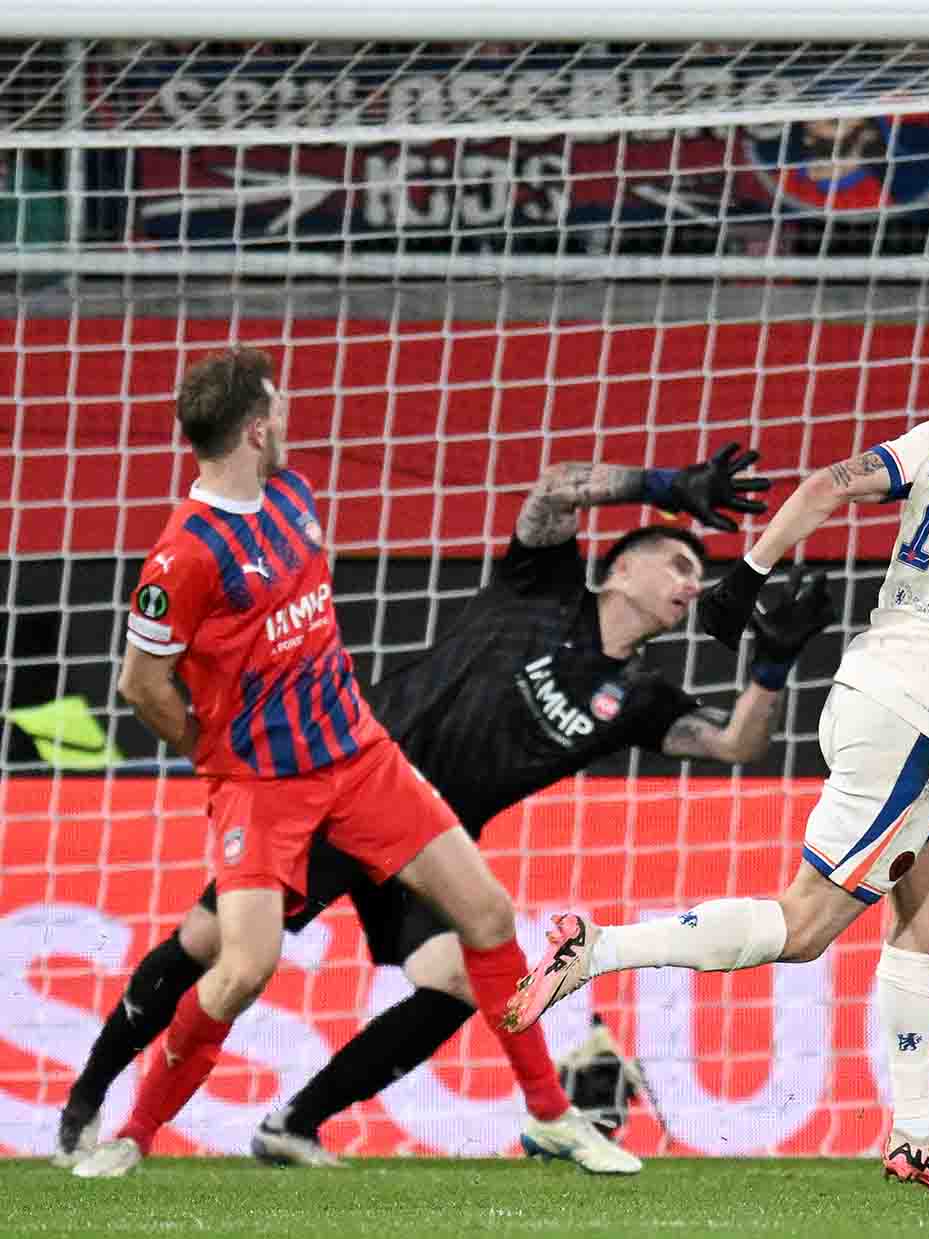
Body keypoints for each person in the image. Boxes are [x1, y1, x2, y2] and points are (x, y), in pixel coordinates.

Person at [61, 349, 797, 1180]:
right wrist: (667, 485)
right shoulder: (542, 585)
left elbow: (736, 744)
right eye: (679, 563)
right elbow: (554, 486)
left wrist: (772, 668)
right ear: (620, 566)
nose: (692, 585)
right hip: (328, 774)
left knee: (471, 958)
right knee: (215, 950)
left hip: (403, 808)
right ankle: (93, 1104)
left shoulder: (639, 697)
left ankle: (305, 1120)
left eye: (700, 575)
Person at [503, 406, 929, 1199]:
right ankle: (599, 949)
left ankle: (918, 1132)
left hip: (862, 688)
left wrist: (746, 577)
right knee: (802, 928)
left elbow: (827, 486)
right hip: (915, 724)